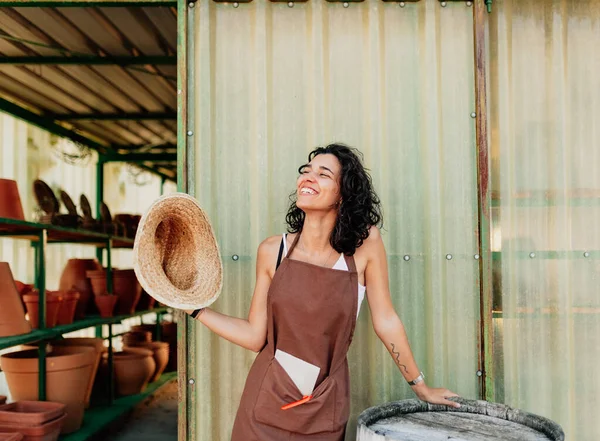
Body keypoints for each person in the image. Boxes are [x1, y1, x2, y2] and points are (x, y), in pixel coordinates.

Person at [186, 143, 460, 441]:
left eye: (323, 173)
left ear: (343, 193)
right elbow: (255, 337)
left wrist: (420, 386)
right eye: (306, 171)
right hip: (264, 405)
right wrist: (195, 309)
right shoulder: (272, 251)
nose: (308, 177)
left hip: (324, 404)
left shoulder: (364, 246)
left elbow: (386, 320)